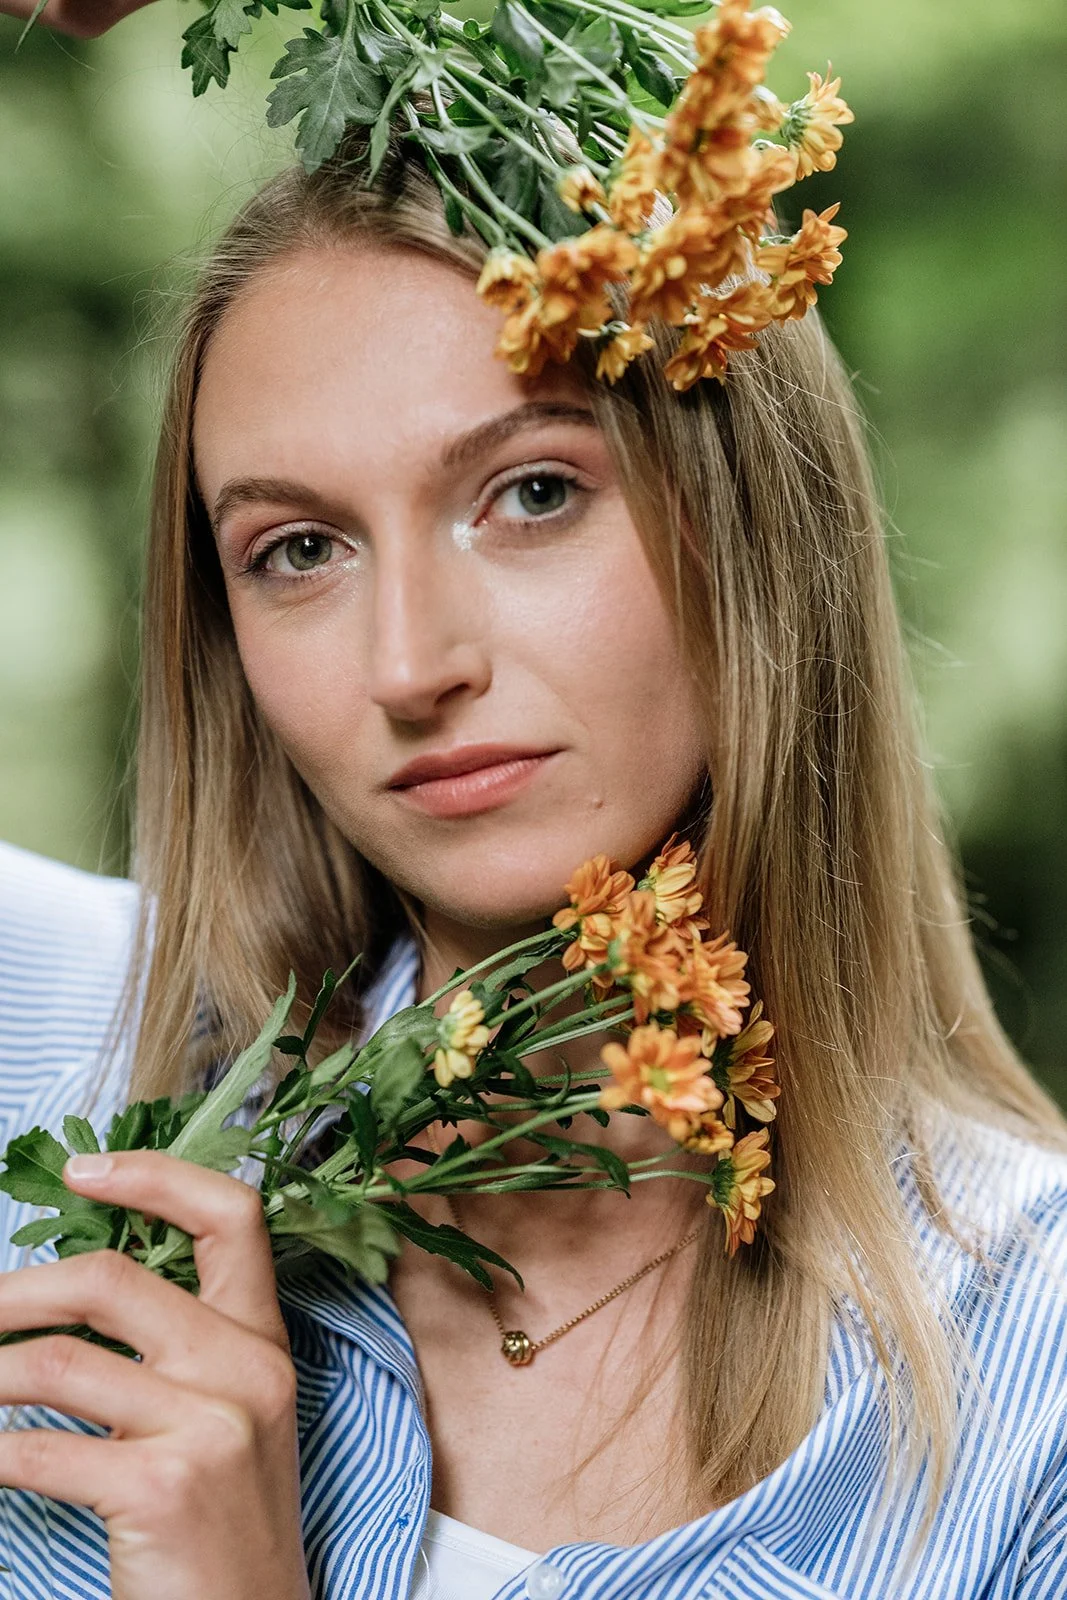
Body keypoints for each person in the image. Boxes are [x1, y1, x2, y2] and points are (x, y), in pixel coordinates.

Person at [2, 3, 1067, 1598]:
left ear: (751, 527)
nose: (409, 664)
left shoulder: (1029, 1403)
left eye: (532, 493)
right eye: (299, 550)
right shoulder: (59, 1039)